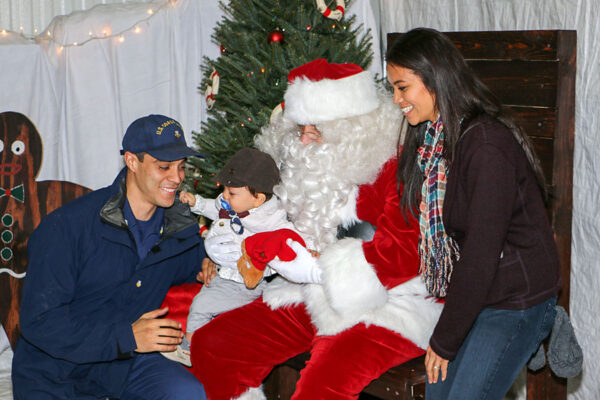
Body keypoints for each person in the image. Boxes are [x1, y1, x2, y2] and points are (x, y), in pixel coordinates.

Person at [189, 58, 443, 399]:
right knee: (214, 344)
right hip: (309, 293)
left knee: (321, 387)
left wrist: (322, 270)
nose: (305, 141)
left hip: (389, 304)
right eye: (300, 129)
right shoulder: (303, 173)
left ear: (353, 129)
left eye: (317, 130)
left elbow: (403, 255)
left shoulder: (396, 170)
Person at [385, 28, 561, 399]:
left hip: (518, 297)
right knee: (437, 392)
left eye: (403, 87)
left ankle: (548, 322)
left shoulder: (484, 143)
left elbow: (481, 252)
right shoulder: (434, 138)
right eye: (394, 89)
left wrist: (445, 339)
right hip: (480, 290)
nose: (397, 99)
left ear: (434, 79)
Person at [12, 114, 208, 399]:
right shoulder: (67, 227)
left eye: (181, 167)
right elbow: (40, 322)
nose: (177, 177)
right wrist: (127, 338)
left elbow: (199, 266)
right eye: (164, 166)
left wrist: (212, 260)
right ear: (131, 161)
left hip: (124, 367)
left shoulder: (180, 230)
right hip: (53, 372)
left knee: (186, 393)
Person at [161, 147, 299, 367]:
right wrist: (196, 203)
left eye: (232, 192)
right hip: (223, 275)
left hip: (244, 284)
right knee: (207, 305)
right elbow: (215, 209)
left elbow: (290, 241)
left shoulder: (271, 222)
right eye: (225, 189)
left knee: (200, 307)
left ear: (258, 199)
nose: (224, 195)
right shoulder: (234, 203)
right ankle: (208, 345)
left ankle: (188, 351)